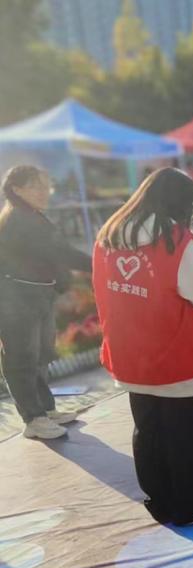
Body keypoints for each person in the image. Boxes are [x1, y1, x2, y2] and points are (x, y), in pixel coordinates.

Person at [92, 168, 193, 526]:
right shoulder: (174, 240)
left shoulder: (110, 235)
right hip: (177, 357)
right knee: (186, 436)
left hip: (131, 354)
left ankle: (160, 501)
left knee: (148, 430)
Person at [0, 165, 92, 439]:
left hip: (37, 294)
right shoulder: (18, 219)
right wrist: (100, 263)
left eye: (46, 185)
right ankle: (34, 419)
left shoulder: (32, 215)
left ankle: (45, 410)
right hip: (16, 298)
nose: (44, 192)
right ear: (16, 189)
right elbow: (60, 252)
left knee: (40, 356)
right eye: (36, 186)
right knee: (21, 359)